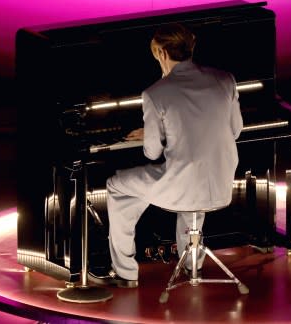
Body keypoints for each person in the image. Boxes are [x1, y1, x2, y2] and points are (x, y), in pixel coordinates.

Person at [96, 23, 243, 287]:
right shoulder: (225, 79)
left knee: (117, 187)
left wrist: (155, 131)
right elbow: (235, 130)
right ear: (191, 47)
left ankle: (125, 272)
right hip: (221, 184)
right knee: (192, 179)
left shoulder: (155, 93)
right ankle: (191, 263)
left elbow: (152, 153)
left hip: (182, 186)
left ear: (162, 53)